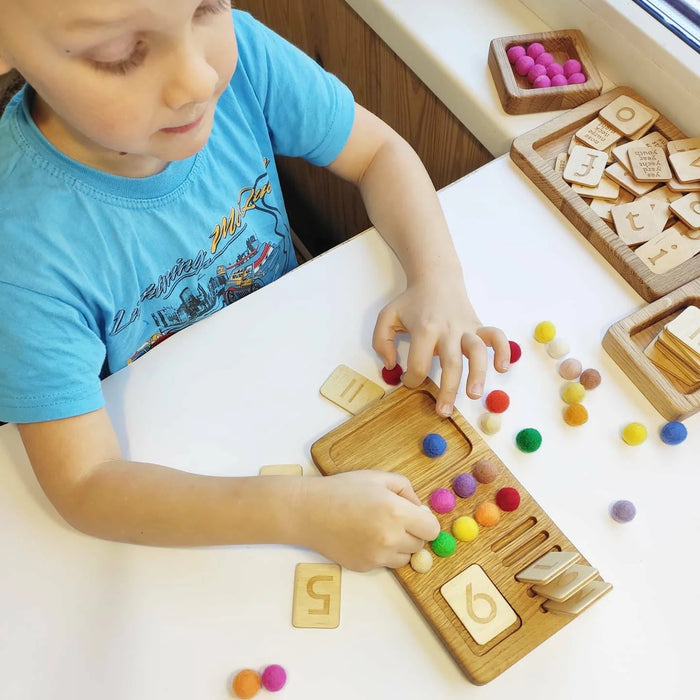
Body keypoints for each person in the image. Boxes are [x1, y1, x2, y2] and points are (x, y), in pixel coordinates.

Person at [0, 0, 510, 572]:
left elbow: (378, 152)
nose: (198, 77)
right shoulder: (19, 249)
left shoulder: (244, 55)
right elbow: (85, 484)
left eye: (209, 7)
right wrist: (297, 513)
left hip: (295, 381)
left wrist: (436, 276)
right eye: (118, 55)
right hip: (185, 463)